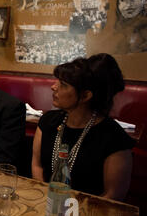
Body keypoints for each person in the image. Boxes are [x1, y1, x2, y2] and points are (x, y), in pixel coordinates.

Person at [31, 54, 134, 201]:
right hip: (46, 204)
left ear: (85, 96)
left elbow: (113, 195)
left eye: (63, 84)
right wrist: (46, 200)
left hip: (87, 214)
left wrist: (70, 212)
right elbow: (37, 165)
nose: (53, 86)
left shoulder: (114, 138)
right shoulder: (48, 122)